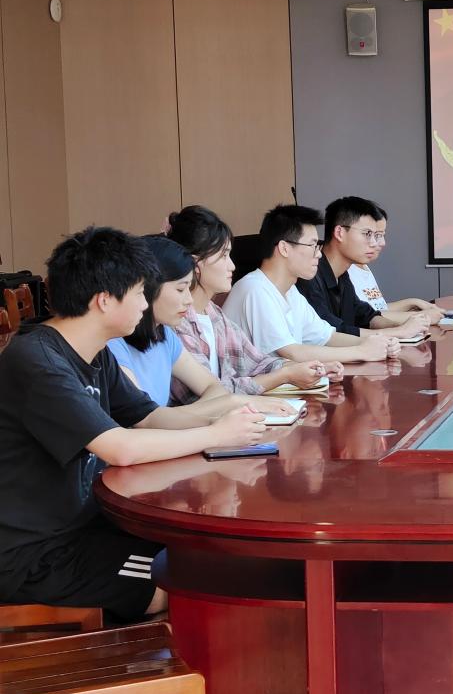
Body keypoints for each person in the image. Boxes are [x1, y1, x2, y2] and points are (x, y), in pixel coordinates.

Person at [0, 227, 265, 622]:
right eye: (141, 292)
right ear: (104, 300)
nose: (145, 303)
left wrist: (227, 417)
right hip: (33, 553)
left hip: (86, 526)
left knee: (203, 554)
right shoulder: (38, 361)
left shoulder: (94, 353)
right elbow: (120, 447)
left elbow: (151, 417)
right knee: (185, 582)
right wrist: (217, 434)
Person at [165, 205, 343, 404]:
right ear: (195, 264)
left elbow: (257, 362)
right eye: (223, 256)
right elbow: (207, 397)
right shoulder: (177, 322)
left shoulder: (214, 314)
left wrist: (309, 368)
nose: (232, 266)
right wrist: (285, 375)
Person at [107, 235, 294, 418]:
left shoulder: (164, 335)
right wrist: (234, 403)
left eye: (189, 289)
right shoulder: (114, 344)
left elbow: (213, 387)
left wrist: (226, 405)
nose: (189, 300)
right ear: (148, 289)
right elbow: (148, 420)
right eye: (181, 289)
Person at [222, 204, 399, 363]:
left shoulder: (290, 292)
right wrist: (361, 352)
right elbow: (292, 353)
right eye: (313, 246)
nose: (319, 254)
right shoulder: (255, 289)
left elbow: (327, 337)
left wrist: (377, 343)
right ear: (284, 248)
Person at [297, 197, 431, 338]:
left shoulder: (342, 274)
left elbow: (365, 315)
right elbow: (331, 332)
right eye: (367, 234)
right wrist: (399, 332)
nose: (375, 243)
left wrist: (401, 328)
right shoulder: (309, 275)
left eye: (376, 235)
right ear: (340, 233)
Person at [348, 205, 444, 324]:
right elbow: (363, 317)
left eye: (380, 235)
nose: (382, 243)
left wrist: (413, 302)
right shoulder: (345, 271)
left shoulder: (362, 265)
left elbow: (375, 308)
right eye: (370, 234)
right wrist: (420, 316)